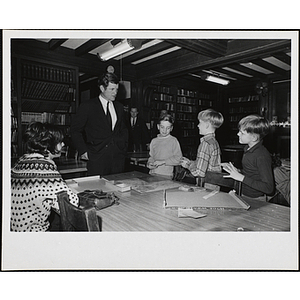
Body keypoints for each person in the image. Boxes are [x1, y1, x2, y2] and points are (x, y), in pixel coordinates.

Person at [11, 122, 79, 232]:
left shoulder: (21, 161)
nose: (63, 145)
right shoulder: (45, 169)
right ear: (49, 145)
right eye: (60, 142)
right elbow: (72, 203)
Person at [71, 73, 128, 176]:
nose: (115, 93)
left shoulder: (119, 107)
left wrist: (123, 146)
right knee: (97, 190)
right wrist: (83, 151)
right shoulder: (87, 106)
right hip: (96, 157)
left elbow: (123, 129)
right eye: (112, 89)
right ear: (102, 88)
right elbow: (75, 131)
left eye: (116, 89)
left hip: (117, 158)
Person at [221, 115, 274, 201]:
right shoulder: (248, 149)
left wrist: (241, 177)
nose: (238, 134)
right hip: (243, 194)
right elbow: (253, 173)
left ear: (254, 138)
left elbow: (268, 188)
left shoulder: (261, 155)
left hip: (256, 199)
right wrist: (237, 171)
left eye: (242, 133)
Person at [180, 109, 224, 181]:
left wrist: (187, 165)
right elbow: (205, 164)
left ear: (207, 125)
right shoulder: (213, 141)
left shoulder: (205, 143)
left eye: (200, 123)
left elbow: (199, 172)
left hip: (206, 183)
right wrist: (190, 162)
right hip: (214, 183)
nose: (198, 125)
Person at [147, 114, 182, 179]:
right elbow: (151, 157)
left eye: (168, 128)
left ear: (171, 128)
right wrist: (149, 163)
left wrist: (163, 162)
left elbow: (179, 159)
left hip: (166, 175)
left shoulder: (173, 141)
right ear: (158, 126)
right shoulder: (154, 141)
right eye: (162, 127)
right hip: (152, 173)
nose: (164, 130)